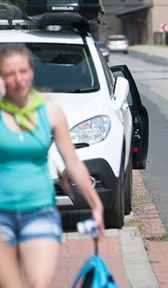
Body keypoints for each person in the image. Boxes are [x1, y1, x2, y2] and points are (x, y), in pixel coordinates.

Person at [0, 44, 104, 288]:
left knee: (40, 284)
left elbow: (73, 163)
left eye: (23, 71)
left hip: (40, 212)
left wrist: (96, 205)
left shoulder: (51, 112)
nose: (18, 79)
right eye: (10, 74)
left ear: (32, 71)